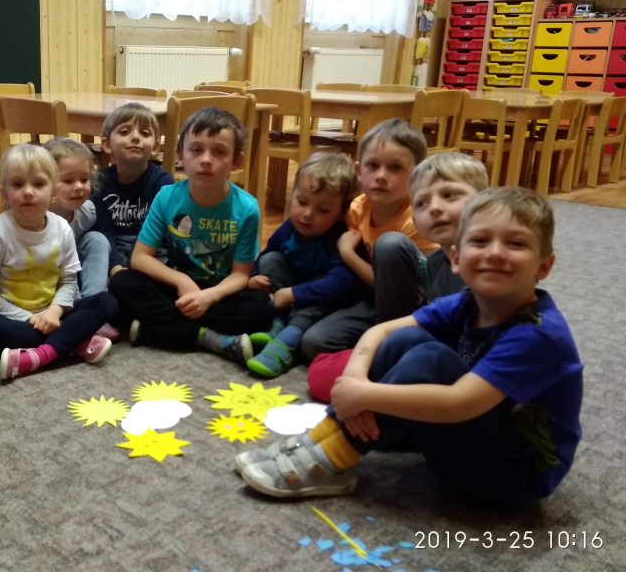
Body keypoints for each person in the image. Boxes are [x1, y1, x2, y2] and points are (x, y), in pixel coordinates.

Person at [236, 188, 583, 510]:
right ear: (456, 259)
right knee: (404, 340)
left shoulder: (537, 335)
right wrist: (354, 380)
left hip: (510, 480)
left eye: (516, 244)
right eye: (480, 241)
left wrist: (365, 396)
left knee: (431, 359)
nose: (494, 253)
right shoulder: (467, 301)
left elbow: (460, 401)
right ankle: (323, 437)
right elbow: (381, 331)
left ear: (543, 266)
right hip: (472, 437)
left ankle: (334, 456)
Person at [306, 152, 488, 402]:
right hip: (425, 350)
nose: (435, 208)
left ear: (484, 203)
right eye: (422, 203)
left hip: (463, 380)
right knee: (323, 371)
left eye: (449, 195)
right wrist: (359, 374)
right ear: (415, 219)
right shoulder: (437, 263)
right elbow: (413, 326)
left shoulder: (489, 269)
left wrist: (371, 395)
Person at [108, 107, 273, 362]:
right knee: (122, 283)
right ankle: (207, 337)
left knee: (261, 309)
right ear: (179, 155)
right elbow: (140, 258)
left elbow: (240, 275)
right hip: (176, 289)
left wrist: (209, 297)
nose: (206, 159)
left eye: (219, 152)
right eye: (196, 150)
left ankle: (156, 328)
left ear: (237, 161)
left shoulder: (247, 208)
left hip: (219, 293)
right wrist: (180, 281)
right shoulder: (167, 197)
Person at [0, 144, 118, 381]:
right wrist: (31, 318)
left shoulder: (62, 228)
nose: (28, 192)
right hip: (16, 320)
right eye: (18, 184)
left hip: (55, 315)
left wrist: (54, 312)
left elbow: (69, 282)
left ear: (53, 192)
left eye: (38, 184)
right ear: (5, 193)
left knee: (106, 302)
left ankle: (40, 355)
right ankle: (75, 341)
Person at [300, 118, 434, 361]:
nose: (381, 176)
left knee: (390, 244)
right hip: (373, 302)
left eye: (395, 168)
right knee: (314, 342)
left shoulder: (417, 218)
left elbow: (417, 289)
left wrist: (348, 255)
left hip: (413, 312)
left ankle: (395, 348)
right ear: (359, 172)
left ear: (417, 175)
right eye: (373, 165)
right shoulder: (357, 208)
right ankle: (377, 353)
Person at [245, 153, 360, 378]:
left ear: (340, 213)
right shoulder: (289, 227)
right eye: (302, 202)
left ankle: (288, 341)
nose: (307, 214)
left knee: (321, 292)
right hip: (288, 291)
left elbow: (342, 283)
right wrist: (254, 276)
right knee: (271, 259)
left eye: (323, 210)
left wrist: (294, 294)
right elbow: (265, 254)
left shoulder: (339, 238)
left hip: (319, 300)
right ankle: (277, 324)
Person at [91, 102, 174, 277]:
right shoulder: (99, 181)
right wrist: (115, 267)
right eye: (124, 132)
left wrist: (130, 268)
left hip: (149, 249)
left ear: (155, 147)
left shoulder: (162, 183)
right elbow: (103, 230)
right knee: (93, 245)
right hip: (112, 247)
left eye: (144, 133)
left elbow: (154, 234)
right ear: (107, 144)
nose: (135, 137)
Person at [44, 137, 110, 298]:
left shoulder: (88, 211)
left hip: (72, 269)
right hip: (42, 276)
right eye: (68, 180)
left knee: (97, 239)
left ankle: (93, 300)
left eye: (85, 179)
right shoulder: (38, 216)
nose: (79, 186)